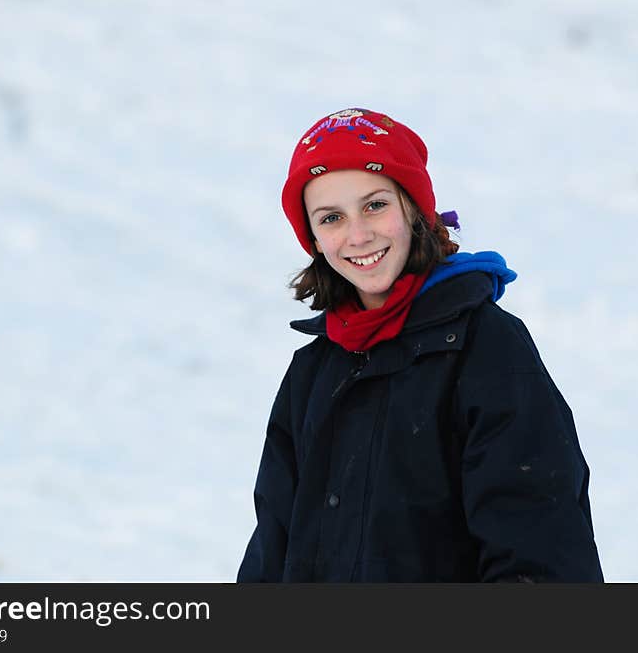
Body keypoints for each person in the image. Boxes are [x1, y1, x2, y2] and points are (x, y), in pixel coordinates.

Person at [237, 107, 603, 582]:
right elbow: (271, 554)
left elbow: (541, 554)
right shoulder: (313, 370)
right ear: (314, 238)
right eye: (331, 217)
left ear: (413, 207)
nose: (358, 234)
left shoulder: (487, 348)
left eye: (375, 205)